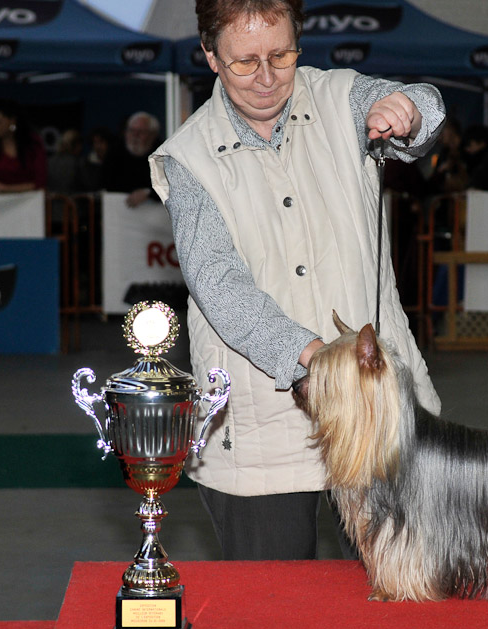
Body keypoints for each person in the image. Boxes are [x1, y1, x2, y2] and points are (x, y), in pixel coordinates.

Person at [149, 0, 443, 561]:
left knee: (401, 593)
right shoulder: (188, 158)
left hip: (379, 413)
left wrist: (406, 106)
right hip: (259, 425)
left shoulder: (339, 96)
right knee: (273, 613)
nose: (266, 78)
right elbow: (219, 284)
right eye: (244, 62)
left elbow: (426, 108)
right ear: (210, 55)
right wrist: (312, 357)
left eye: (281, 56)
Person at [0, 99, 47, 193]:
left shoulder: (33, 141)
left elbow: (40, 183)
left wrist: (4, 188)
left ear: (12, 121)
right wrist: (27, 187)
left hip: (30, 201)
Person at [103, 112, 161, 206]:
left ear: (152, 135)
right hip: (118, 212)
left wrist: (148, 193)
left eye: (141, 132)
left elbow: (172, 187)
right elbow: (105, 182)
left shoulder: (163, 155)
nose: (135, 135)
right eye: (131, 130)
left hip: (155, 214)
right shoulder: (115, 152)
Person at [47, 129, 83, 194]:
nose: (81, 148)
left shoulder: (49, 161)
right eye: (80, 145)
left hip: (51, 202)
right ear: (77, 145)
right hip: (71, 202)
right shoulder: (77, 163)